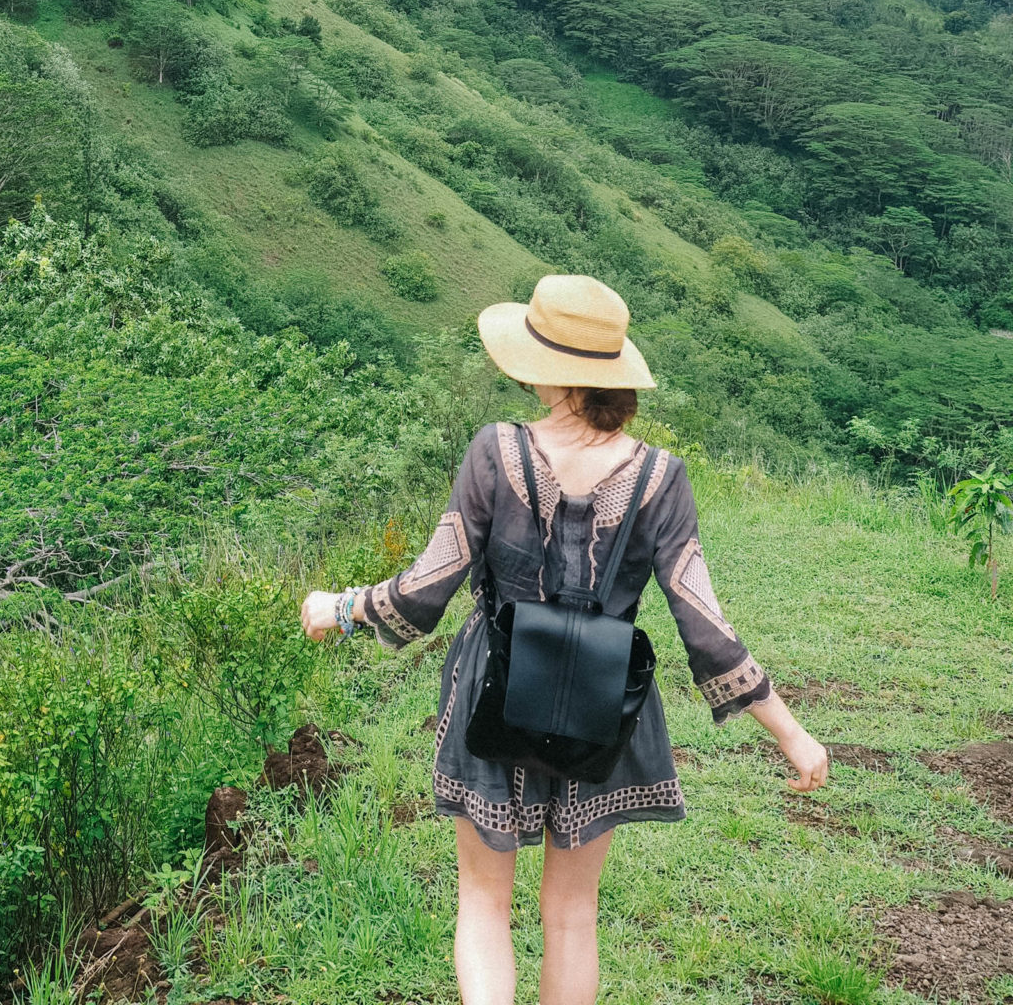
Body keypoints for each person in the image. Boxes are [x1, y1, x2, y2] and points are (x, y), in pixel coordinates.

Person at [301, 274, 829, 1005]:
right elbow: (705, 626)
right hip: (600, 705)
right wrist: (792, 733)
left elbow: (428, 588)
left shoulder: (495, 452)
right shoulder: (660, 478)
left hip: (495, 694)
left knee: (484, 905)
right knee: (573, 918)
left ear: (544, 366)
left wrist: (343, 606)